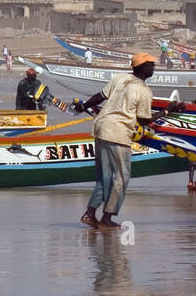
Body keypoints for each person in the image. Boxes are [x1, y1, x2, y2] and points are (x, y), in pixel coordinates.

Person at [76, 54, 183, 229]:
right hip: (118, 133)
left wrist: (84, 106)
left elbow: (99, 96)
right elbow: (143, 120)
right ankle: (107, 217)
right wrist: (167, 111)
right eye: (151, 65)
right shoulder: (144, 91)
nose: (153, 68)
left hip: (102, 128)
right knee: (121, 177)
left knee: (104, 176)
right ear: (141, 67)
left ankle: (90, 214)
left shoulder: (120, 78)